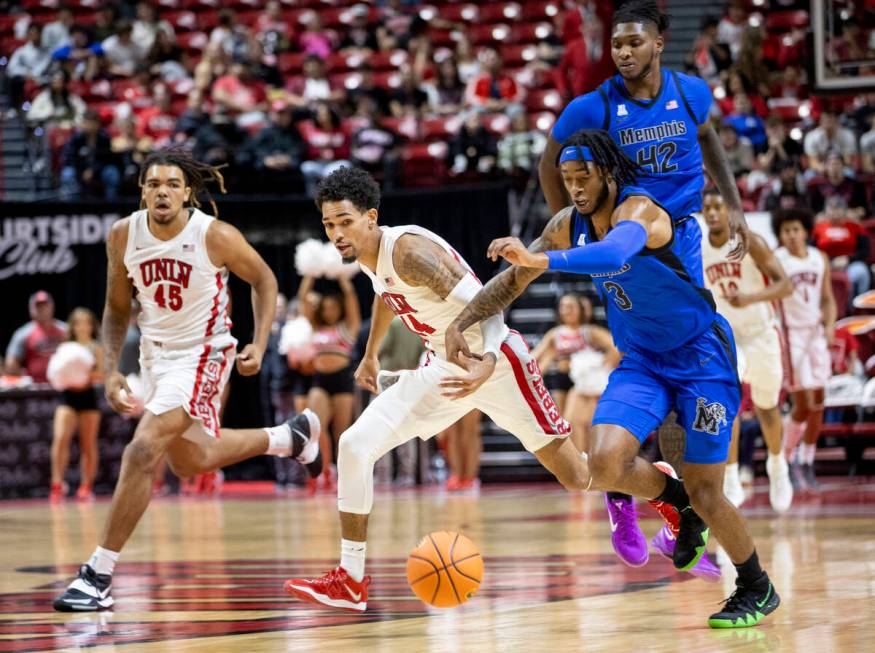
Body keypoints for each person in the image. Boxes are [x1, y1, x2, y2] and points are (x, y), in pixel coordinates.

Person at [448, 130, 780, 628]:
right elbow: (514, 279)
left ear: (608, 173)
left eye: (584, 177)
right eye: (566, 179)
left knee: (709, 490)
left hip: (701, 358)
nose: (575, 187)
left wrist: (544, 258)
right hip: (643, 359)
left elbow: (614, 254)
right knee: (599, 465)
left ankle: (756, 586)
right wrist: (463, 321)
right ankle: (675, 502)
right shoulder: (566, 225)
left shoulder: (642, 212)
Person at [284, 166, 597, 612]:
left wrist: (487, 363)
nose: (336, 233)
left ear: (371, 216)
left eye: (345, 221)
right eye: (329, 224)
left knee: (576, 476)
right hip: (443, 367)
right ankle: (350, 578)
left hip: (497, 361)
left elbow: (485, 305)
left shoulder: (410, 252)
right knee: (355, 444)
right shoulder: (372, 256)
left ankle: (656, 486)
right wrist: (371, 353)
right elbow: (385, 294)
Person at [52, 148, 322, 612]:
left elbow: (264, 280)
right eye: (154, 183)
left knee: (142, 449)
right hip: (154, 356)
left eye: (173, 184)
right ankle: (288, 437)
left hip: (203, 353)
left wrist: (258, 340)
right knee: (190, 462)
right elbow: (117, 308)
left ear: (187, 192)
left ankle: (97, 574)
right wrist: (113, 366)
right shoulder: (123, 235)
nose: (163, 191)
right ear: (142, 191)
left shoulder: (213, 234)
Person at [537, 0, 752, 569]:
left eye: (635, 42)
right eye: (616, 44)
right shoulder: (595, 106)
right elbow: (549, 161)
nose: (624, 52)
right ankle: (637, 494)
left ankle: (685, 514)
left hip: (672, 238)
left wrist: (733, 205)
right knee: (651, 354)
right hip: (626, 233)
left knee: (680, 378)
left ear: (660, 41)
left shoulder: (691, 93)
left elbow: (708, 142)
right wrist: (574, 226)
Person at [701, 189, 794, 512]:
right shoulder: (697, 246)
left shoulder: (749, 242)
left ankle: (777, 466)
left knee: (768, 407)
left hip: (760, 333)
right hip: (727, 337)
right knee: (728, 405)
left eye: (718, 207)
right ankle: (730, 475)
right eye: (708, 208)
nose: (713, 213)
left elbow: (785, 284)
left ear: (730, 211)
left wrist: (751, 299)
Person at [774, 208, 837, 492]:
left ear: (806, 230)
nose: (792, 235)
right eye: (786, 230)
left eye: (796, 229)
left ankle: (807, 461)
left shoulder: (818, 257)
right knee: (803, 403)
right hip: (792, 336)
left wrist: (831, 326)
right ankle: (786, 460)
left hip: (816, 335)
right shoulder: (777, 260)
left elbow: (827, 299)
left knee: (820, 400)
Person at [534, 293, 619, 454]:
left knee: (580, 422)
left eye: (570, 307)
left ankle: (586, 460)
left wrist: (600, 366)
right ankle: (580, 462)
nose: (566, 311)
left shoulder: (588, 331)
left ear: (580, 310)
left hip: (583, 382)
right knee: (564, 425)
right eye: (563, 307)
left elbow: (615, 348)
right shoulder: (555, 333)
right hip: (561, 381)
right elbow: (536, 358)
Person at [298, 275, 361, 492]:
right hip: (320, 380)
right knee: (316, 427)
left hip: (342, 379)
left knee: (341, 433)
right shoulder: (315, 327)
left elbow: (352, 299)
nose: (329, 311)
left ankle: (344, 474)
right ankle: (323, 470)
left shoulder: (347, 328)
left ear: (339, 308)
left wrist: (342, 280)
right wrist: (310, 275)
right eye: (325, 308)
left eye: (333, 307)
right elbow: (302, 300)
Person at [50, 308, 104, 503]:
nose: (83, 327)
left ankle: (86, 486)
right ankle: (57, 484)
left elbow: (101, 375)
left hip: (88, 397)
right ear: (73, 326)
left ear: (92, 326)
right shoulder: (65, 346)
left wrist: (83, 375)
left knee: (88, 445)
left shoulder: (96, 347)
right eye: (78, 322)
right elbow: (56, 371)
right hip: (68, 397)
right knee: (60, 437)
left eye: (87, 322)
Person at [812, 196, 871, 305]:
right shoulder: (818, 228)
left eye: (838, 208)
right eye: (831, 208)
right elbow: (810, 250)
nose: (835, 212)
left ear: (845, 211)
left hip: (849, 265)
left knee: (861, 272)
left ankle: (855, 306)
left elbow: (865, 251)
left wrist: (848, 259)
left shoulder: (855, 227)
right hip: (824, 266)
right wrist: (827, 262)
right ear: (825, 211)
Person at [5, 291, 67, 384]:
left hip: (63, 385)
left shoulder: (65, 330)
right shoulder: (23, 333)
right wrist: (24, 378)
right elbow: (11, 364)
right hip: (35, 390)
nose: (42, 309)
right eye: (38, 307)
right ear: (31, 310)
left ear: (52, 307)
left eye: (45, 306)